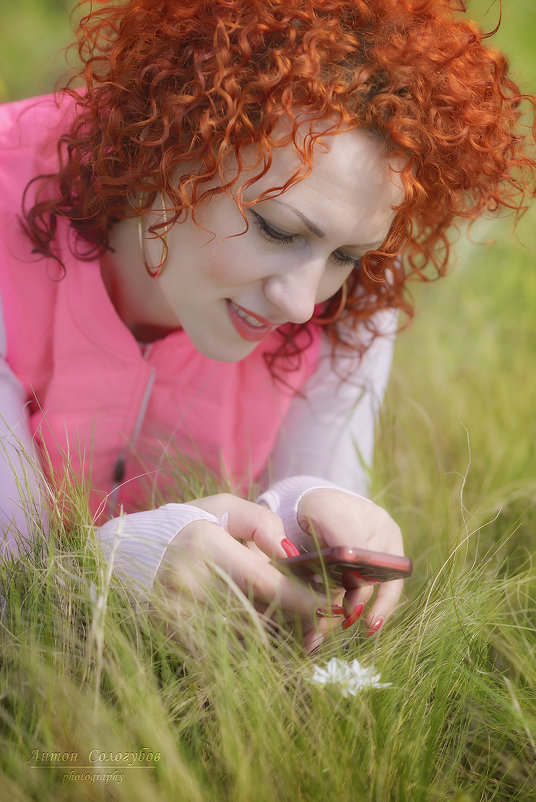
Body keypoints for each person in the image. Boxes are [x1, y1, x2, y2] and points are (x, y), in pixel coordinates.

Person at [0, 0, 534, 652]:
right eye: (278, 229)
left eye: (344, 254)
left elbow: (307, 482)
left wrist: (315, 507)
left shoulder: (357, 293)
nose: (302, 304)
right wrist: (119, 567)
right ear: (171, 141)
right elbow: (15, 584)